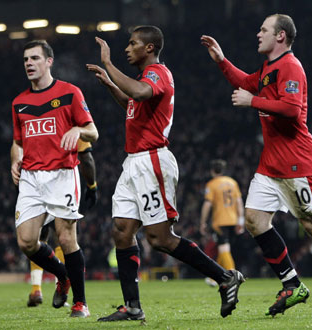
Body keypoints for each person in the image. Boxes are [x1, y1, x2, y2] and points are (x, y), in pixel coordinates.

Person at [201, 14, 312, 317]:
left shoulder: (290, 66)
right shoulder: (269, 67)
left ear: (280, 36)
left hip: (298, 163)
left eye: (264, 30)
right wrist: (222, 61)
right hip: (271, 165)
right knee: (254, 220)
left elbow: (291, 110)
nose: (258, 34)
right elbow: (245, 82)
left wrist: (252, 101)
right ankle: (292, 284)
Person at [86, 25, 244, 322]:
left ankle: (225, 277)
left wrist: (109, 64)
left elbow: (141, 93)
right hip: (133, 162)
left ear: (149, 48)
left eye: (132, 44)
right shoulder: (143, 79)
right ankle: (132, 307)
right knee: (121, 230)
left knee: (159, 238)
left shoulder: (157, 72)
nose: (126, 49)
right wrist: (110, 84)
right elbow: (132, 102)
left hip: (152, 161)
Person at [10, 40, 98, 318]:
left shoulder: (70, 93)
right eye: (26, 59)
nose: (29, 63)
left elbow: (93, 131)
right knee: (26, 242)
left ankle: (81, 303)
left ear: (49, 61)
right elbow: (17, 141)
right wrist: (15, 158)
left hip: (62, 173)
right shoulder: (19, 102)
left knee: (66, 237)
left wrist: (79, 132)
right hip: (31, 177)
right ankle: (63, 276)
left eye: (35, 58)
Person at [27, 140, 98, 307]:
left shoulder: (38, 119)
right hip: (63, 182)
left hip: (38, 181)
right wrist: (92, 186)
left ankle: (36, 288)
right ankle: (62, 288)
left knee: (39, 238)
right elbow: (86, 157)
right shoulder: (71, 120)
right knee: (65, 239)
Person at [200, 159, 245, 286]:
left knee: (223, 247)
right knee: (223, 248)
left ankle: (232, 274)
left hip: (220, 221)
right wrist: (241, 220)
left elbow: (207, 204)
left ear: (212, 170)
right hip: (234, 219)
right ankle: (215, 277)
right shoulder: (233, 183)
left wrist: (203, 222)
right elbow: (239, 202)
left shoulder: (212, 184)